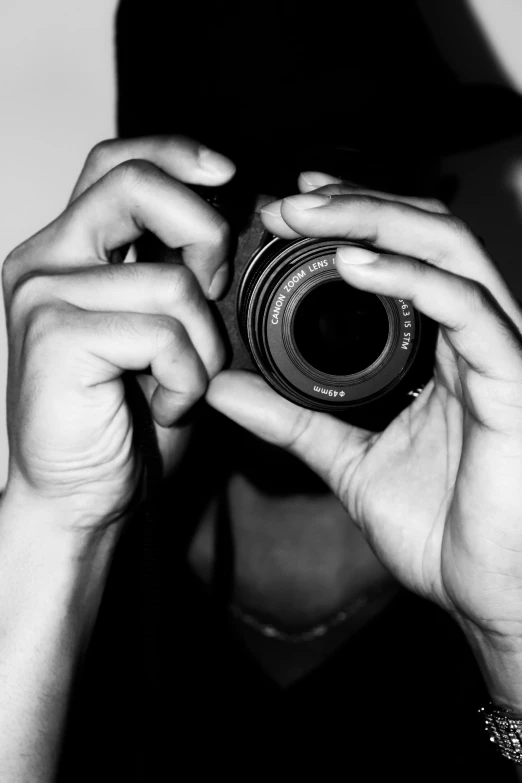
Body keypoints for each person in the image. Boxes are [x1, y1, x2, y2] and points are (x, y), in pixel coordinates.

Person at [1, 1, 522, 781]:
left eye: (340, 206)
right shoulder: (62, 571)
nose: (305, 278)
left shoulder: (501, 545)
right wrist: (56, 528)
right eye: (243, 222)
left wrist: (515, 631)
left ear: (432, 211)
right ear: (142, 245)